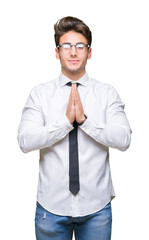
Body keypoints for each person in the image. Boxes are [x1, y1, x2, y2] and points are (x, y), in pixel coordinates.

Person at [18, 16, 131, 240]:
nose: (73, 52)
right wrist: (65, 123)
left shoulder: (106, 93)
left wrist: (86, 121)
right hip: (50, 209)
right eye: (66, 46)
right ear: (56, 52)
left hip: (96, 209)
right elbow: (24, 140)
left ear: (89, 52)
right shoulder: (40, 94)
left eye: (80, 46)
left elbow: (124, 139)